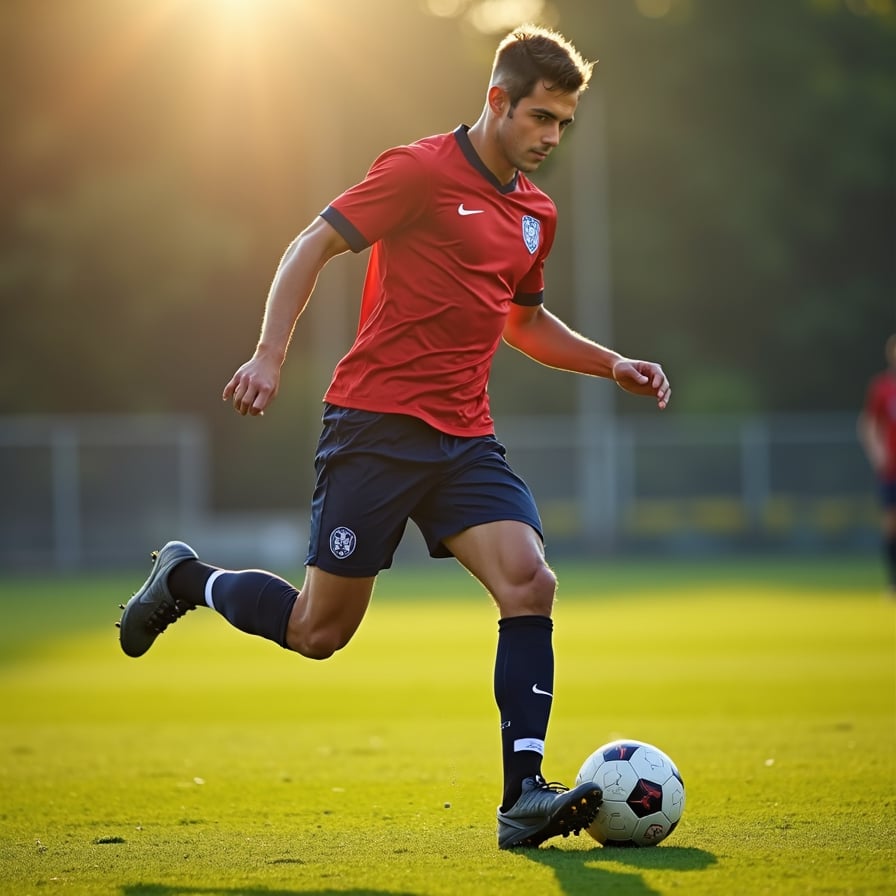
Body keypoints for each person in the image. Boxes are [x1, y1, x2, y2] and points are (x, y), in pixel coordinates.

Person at [118, 24, 671, 849]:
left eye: (563, 124)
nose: (551, 137)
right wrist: (269, 355)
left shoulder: (535, 214)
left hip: (464, 439)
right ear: (498, 101)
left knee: (530, 584)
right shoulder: (417, 170)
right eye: (541, 119)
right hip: (375, 429)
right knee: (318, 632)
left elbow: (522, 321)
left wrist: (611, 363)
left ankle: (524, 796)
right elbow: (311, 244)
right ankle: (187, 579)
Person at [858, 334, 896, 594]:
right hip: (891, 470)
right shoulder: (882, 387)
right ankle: (892, 583)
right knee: (891, 525)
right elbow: (868, 424)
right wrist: (876, 452)